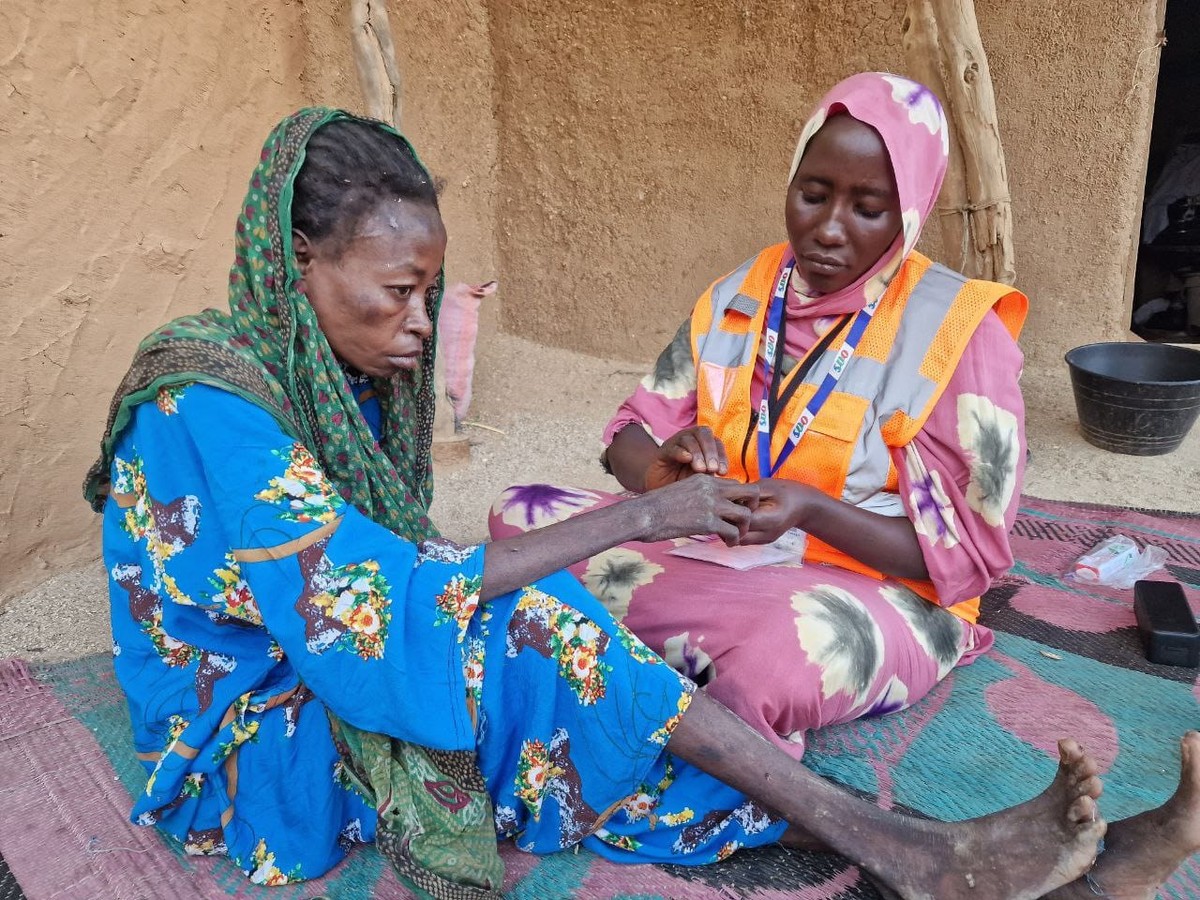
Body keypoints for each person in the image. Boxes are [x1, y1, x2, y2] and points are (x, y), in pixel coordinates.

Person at [83, 106, 1190, 900]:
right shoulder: (207, 401)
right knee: (543, 620)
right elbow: (365, 605)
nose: (423, 325)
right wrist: (653, 499)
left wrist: (795, 513)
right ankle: (920, 851)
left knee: (563, 638)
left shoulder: (955, 330)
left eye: (431, 292)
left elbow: (974, 549)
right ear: (296, 262)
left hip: (852, 586)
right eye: (401, 293)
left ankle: (926, 851)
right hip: (255, 725)